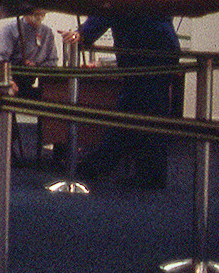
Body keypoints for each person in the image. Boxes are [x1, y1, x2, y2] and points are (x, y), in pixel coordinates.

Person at [63, 14, 181, 188]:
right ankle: (149, 174)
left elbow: (108, 10)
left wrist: (83, 34)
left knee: (131, 112)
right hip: (161, 50)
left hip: (143, 53)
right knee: (151, 113)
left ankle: (100, 166)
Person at [0, 9, 59, 96]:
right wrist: (8, 81)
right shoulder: (10, 30)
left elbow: (52, 61)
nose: (40, 15)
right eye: (36, 11)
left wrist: (36, 66)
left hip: (25, 82)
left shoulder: (47, 33)